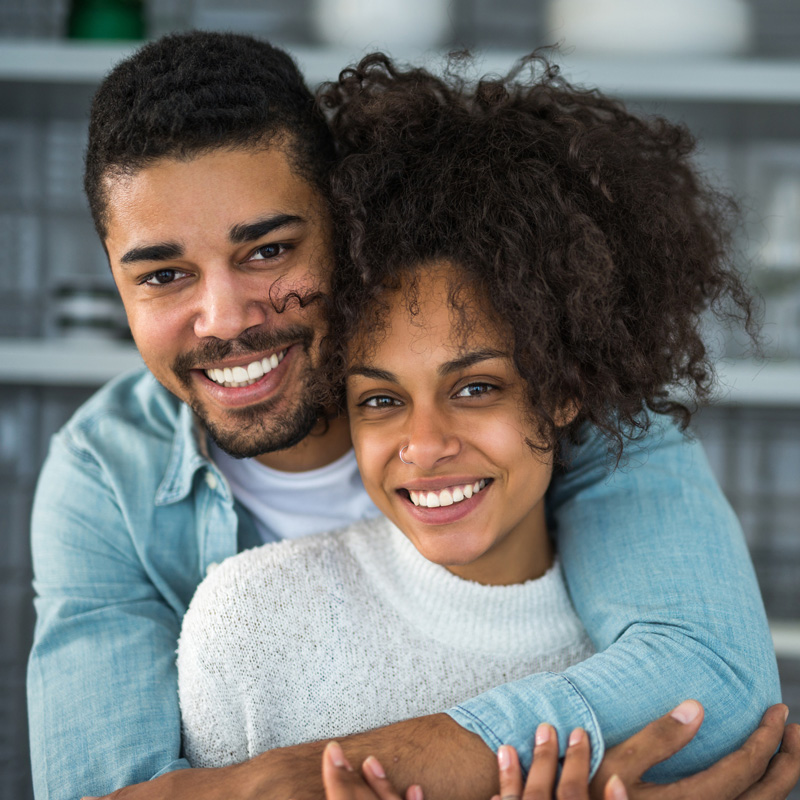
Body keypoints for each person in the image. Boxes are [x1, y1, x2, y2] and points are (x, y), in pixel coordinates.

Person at [26, 31, 780, 800]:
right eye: (162, 275)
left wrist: (293, 779)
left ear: (344, 226)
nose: (222, 319)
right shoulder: (105, 478)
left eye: (267, 251)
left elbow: (713, 682)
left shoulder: (556, 382)